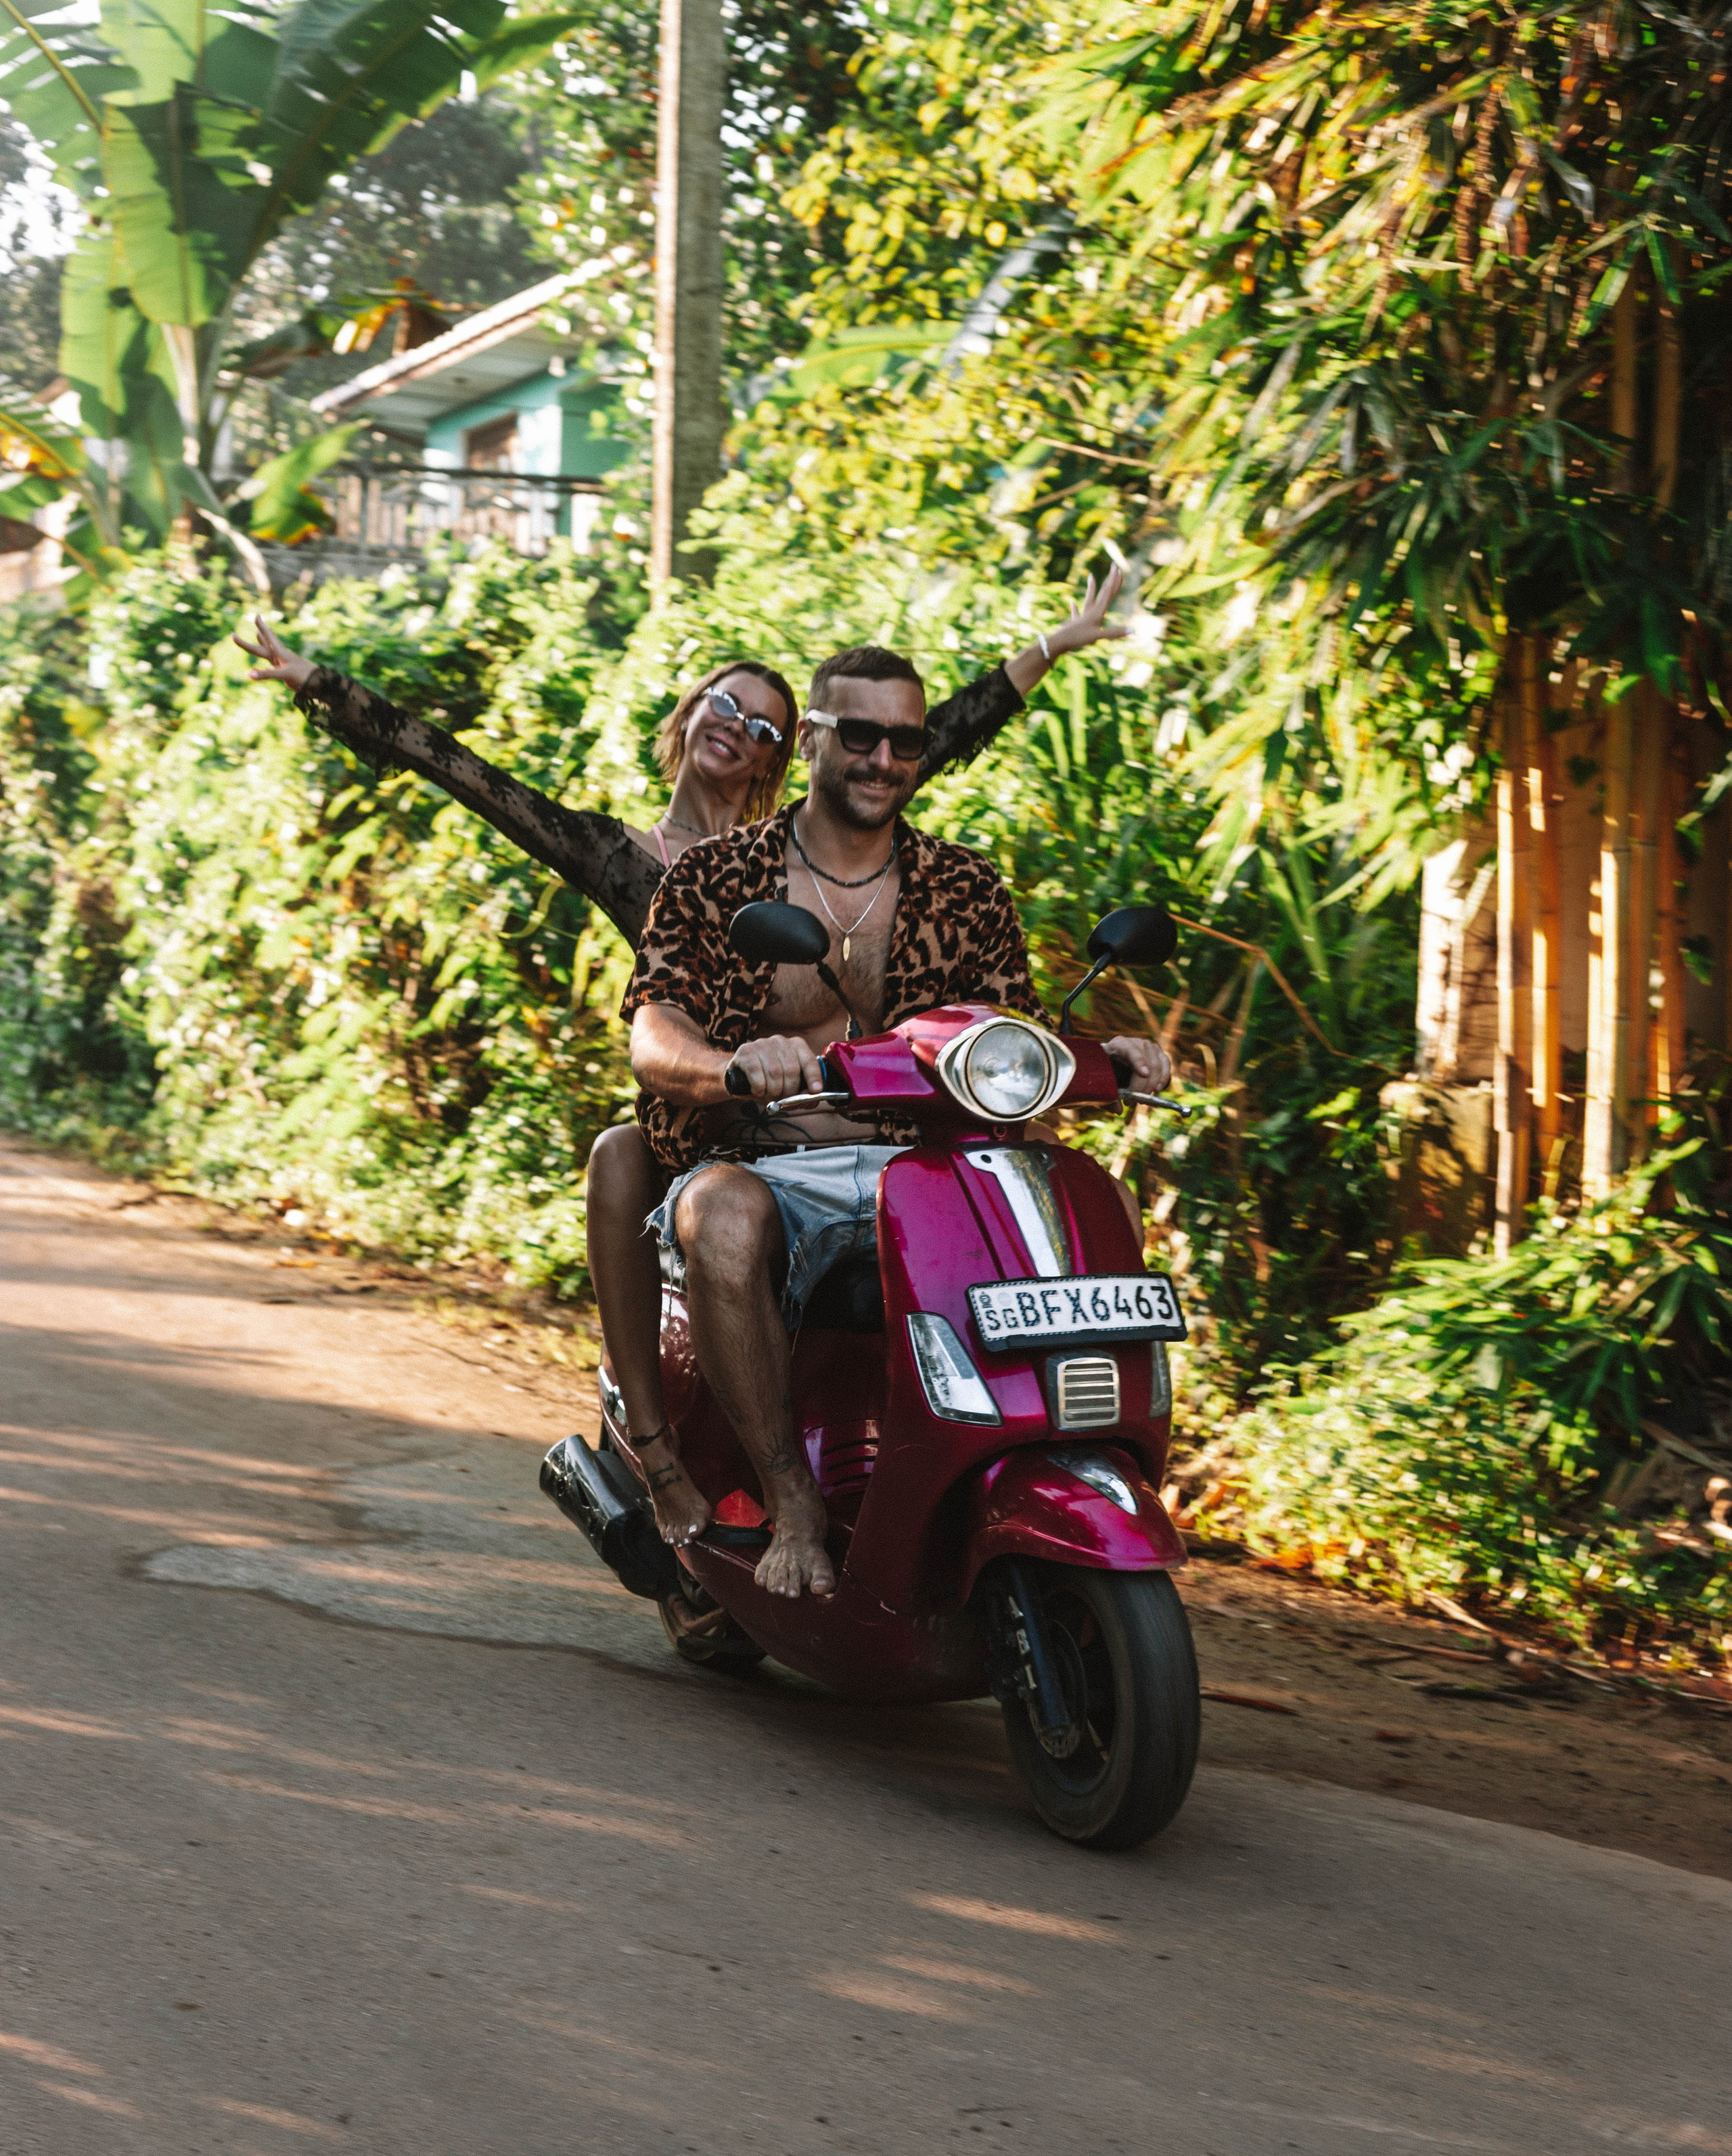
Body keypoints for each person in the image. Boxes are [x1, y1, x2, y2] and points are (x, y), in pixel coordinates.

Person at [236, 573, 1129, 1550]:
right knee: (621, 1154)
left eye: (763, 725)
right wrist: (319, 682)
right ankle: (656, 1454)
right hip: (714, 1112)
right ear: (691, 708)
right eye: (725, 703)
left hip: (869, 1124)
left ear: (791, 754)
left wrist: (1053, 643)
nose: (738, 727)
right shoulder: (643, 859)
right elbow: (462, 771)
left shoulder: (871, 835)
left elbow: (926, 730)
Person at [625, 642, 1173, 1600]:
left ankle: (1061, 1459)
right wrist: (729, 1064)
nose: (885, 759)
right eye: (863, 734)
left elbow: (1012, 1033)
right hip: (770, 1162)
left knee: (1100, 1201)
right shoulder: (718, 876)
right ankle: (791, 1499)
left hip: (931, 1167)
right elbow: (655, 1027)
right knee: (719, 1216)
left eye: (907, 741)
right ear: (810, 742)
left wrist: (1105, 1056)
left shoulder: (964, 888)